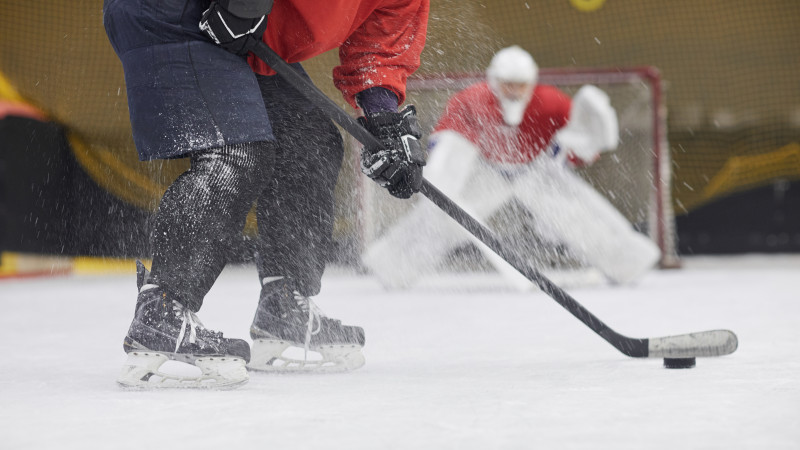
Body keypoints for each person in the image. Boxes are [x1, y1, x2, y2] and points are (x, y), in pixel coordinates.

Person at [103, 0, 429, 388]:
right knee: (236, 150)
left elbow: (378, 48)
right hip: (181, 10)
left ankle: (284, 304)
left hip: (247, 29)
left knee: (309, 140)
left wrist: (384, 121)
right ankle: (161, 311)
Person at [362, 46, 661, 290]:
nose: (515, 91)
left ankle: (626, 264)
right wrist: (444, 175)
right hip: (486, 173)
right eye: (509, 84)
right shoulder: (472, 100)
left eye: (521, 84)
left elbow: (574, 150)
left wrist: (586, 143)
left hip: (536, 172)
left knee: (582, 216)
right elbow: (448, 139)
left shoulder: (551, 102)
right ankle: (392, 268)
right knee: (440, 217)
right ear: (494, 80)